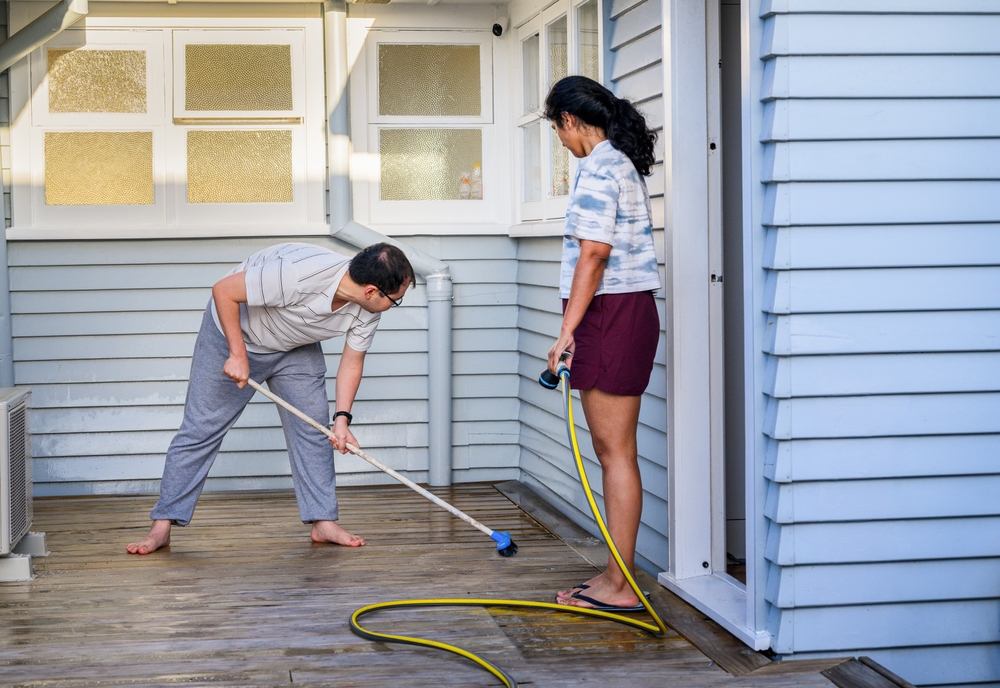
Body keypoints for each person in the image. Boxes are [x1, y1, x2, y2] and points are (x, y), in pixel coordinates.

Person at [127, 242, 413, 555]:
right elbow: (223, 290)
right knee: (201, 429)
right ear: (371, 291)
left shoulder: (367, 309)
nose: (395, 304)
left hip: (295, 347)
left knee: (316, 431)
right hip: (236, 336)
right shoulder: (298, 275)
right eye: (395, 301)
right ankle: (162, 526)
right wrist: (237, 354)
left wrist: (342, 419)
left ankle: (323, 522)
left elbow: (352, 361)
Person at [545, 76, 661, 612]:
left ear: (569, 120)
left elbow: (594, 253)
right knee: (613, 453)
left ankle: (621, 587)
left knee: (616, 455)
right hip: (620, 313)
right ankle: (618, 575)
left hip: (611, 314)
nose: (561, 142)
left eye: (557, 131)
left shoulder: (598, 167)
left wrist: (567, 330)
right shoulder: (619, 163)